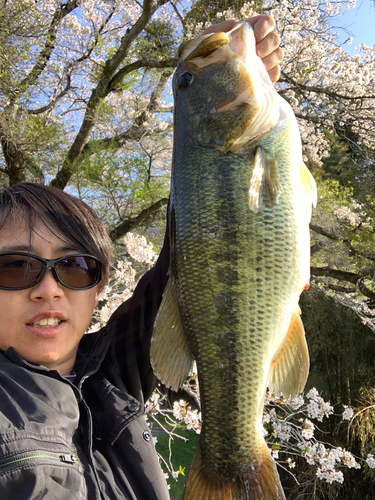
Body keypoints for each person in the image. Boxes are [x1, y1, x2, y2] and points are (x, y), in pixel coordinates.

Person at [0, 16, 283, 500]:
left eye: (73, 266)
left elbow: (193, 261)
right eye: (15, 267)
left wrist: (212, 77)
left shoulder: (111, 379)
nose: (47, 288)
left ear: (100, 285)